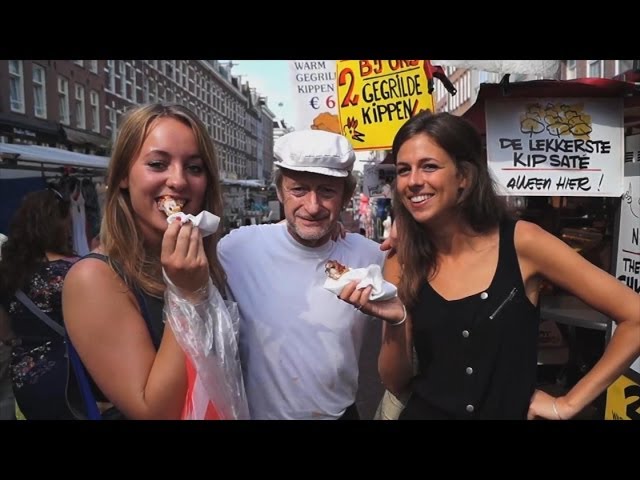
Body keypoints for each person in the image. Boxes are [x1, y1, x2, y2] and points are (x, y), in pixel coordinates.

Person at [338, 110, 640, 420]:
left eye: (429, 166)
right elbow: (394, 380)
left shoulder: (523, 243)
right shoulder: (402, 257)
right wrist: (398, 320)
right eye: (404, 170)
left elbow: (635, 317)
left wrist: (567, 404)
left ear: (464, 176)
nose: (413, 181)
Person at [62, 102, 240, 420]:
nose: (179, 181)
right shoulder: (94, 278)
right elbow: (155, 412)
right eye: (158, 164)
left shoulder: (205, 265)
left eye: (195, 168)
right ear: (123, 178)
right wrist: (186, 295)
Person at [218, 129, 385, 420]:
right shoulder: (236, 250)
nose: (313, 206)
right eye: (299, 189)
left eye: (327, 191)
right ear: (280, 191)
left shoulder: (371, 256)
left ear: (346, 196)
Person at [0, 188, 79, 419]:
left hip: (26, 379)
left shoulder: (7, 272)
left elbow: (4, 333)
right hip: (72, 377)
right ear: (59, 224)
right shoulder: (78, 271)